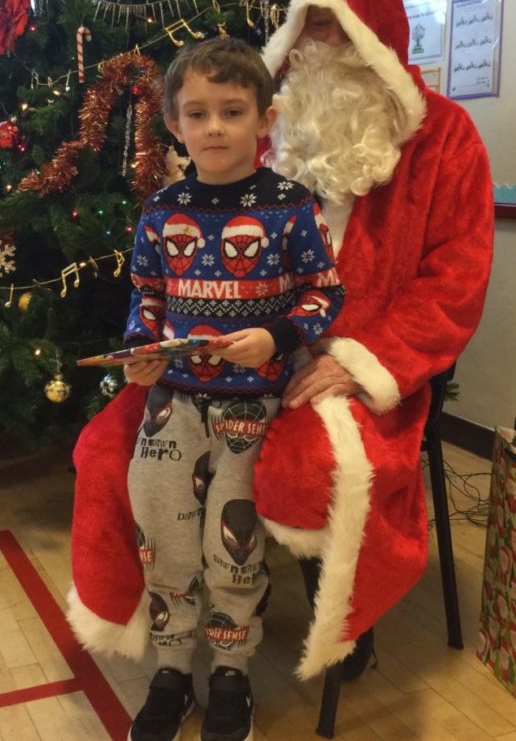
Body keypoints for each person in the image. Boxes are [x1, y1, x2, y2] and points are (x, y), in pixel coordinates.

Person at [67, 0, 494, 701]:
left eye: (339, 25)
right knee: (105, 449)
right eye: (309, 25)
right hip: (223, 356)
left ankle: (331, 618)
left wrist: (361, 364)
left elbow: (454, 281)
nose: (320, 44)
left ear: (377, 34)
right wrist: (156, 341)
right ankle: (170, 639)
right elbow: (171, 272)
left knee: (309, 468)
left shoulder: (447, 139)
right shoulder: (264, 127)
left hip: (354, 363)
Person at [117, 37, 345, 741]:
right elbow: (146, 296)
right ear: (175, 125)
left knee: (234, 550)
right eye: (197, 113)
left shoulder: (291, 206)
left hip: (255, 406)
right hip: (173, 404)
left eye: (232, 111)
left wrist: (277, 336)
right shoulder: (161, 208)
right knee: (164, 536)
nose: (214, 127)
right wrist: (140, 349)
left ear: (264, 120)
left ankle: (230, 672)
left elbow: (325, 294)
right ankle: (171, 668)